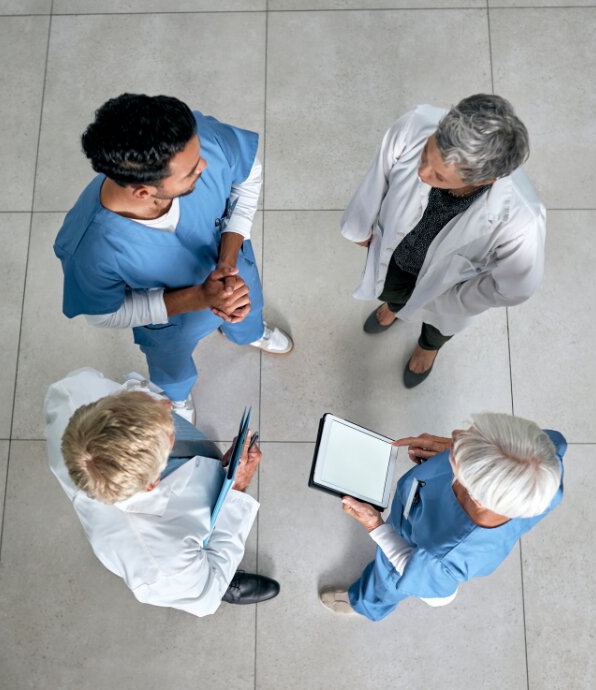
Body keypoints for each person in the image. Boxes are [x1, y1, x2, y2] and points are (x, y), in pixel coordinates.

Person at [55, 93, 293, 423]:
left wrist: (227, 260)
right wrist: (198, 297)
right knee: (172, 370)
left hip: (233, 266)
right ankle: (178, 399)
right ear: (143, 192)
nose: (205, 166)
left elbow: (248, 174)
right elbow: (104, 315)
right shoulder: (89, 249)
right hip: (168, 324)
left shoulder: (194, 139)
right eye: (192, 172)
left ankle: (249, 333)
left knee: (247, 309)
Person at [341, 94, 544, 388]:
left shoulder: (523, 220)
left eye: (439, 175)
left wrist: (457, 300)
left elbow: (516, 287)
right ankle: (397, 308)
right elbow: (379, 174)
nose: (422, 173)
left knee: (440, 320)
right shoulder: (416, 124)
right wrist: (361, 227)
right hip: (400, 253)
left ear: (484, 180)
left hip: (450, 286)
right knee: (391, 290)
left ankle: (429, 346)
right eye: (425, 155)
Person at [45, 367, 279, 617]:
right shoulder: (159, 562)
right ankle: (219, 577)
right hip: (192, 571)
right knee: (208, 582)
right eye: (169, 431)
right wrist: (237, 488)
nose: (168, 404)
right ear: (152, 483)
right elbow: (205, 602)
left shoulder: (76, 392)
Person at [319, 413, 564, 621]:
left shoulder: (445, 556)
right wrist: (468, 450)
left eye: (459, 450)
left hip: (413, 546)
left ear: (476, 496)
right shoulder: (544, 458)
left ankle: (365, 602)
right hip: (427, 506)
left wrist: (376, 526)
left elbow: (436, 596)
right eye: (471, 434)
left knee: (389, 577)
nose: (456, 434)